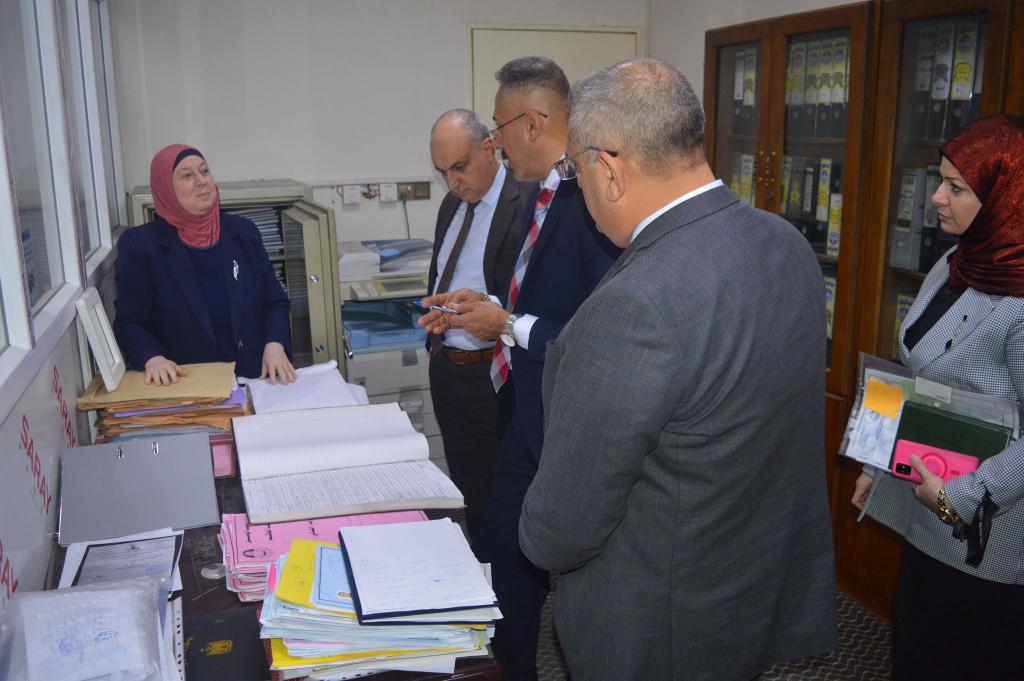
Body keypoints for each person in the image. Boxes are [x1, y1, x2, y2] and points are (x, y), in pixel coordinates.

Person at [518, 58, 837, 681]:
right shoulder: (788, 245)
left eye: (575, 170)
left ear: (610, 170)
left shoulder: (633, 305)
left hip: (656, 628)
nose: (578, 188)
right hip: (752, 590)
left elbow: (562, 529)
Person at [419, 57, 620, 681]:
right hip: (519, 407)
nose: (496, 144)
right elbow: (533, 292)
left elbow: (603, 332)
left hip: (560, 414)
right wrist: (488, 305)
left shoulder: (594, 200)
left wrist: (504, 324)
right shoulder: (545, 192)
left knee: (541, 569)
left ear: (532, 123)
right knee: (504, 559)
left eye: (500, 129)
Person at [852, 114, 1024, 680]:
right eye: (940, 181)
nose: (936, 199)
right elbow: (914, 374)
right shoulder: (953, 264)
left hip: (988, 545)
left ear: (1006, 198)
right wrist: (877, 461)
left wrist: (959, 498)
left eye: (956, 188)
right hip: (926, 520)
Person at [426, 109, 531, 554]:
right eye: (442, 172)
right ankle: (482, 568)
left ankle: (511, 585)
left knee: (507, 499)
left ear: (489, 148)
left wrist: (488, 311)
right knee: (469, 494)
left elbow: (535, 297)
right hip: (449, 370)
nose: (452, 182)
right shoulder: (452, 204)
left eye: (460, 167)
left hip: (498, 374)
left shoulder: (528, 202)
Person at [114, 144, 295, 385]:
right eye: (187, 176)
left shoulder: (243, 232)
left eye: (204, 171)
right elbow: (129, 321)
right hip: (187, 385)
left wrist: (275, 345)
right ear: (166, 188)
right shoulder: (141, 246)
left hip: (256, 380)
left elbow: (275, 301)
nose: (201, 181)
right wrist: (153, 359)